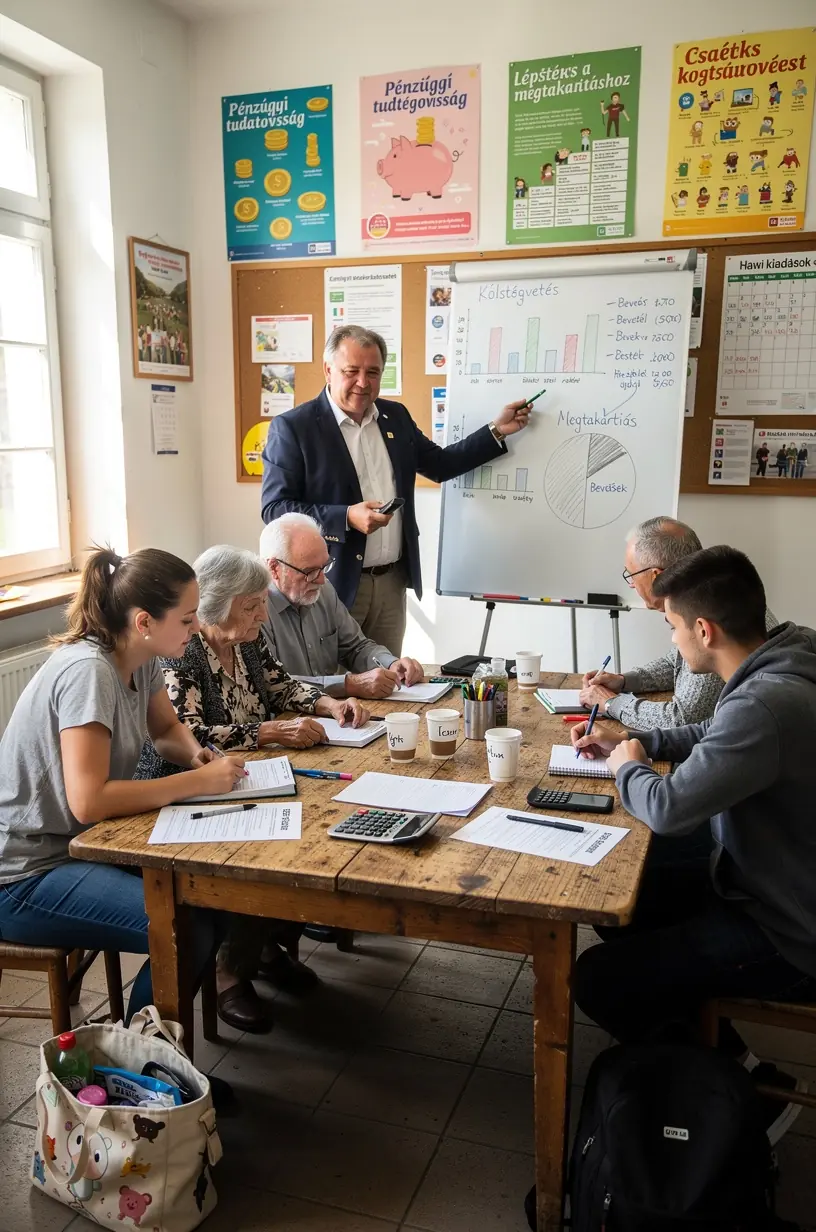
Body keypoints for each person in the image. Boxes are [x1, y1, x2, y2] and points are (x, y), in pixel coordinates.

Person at [571, 547, 816, 1143]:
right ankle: (719, 1048)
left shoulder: (764, 703)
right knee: (626, 898)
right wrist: (640, 736)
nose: (675, 643)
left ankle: (742, 1094)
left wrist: (630, 765)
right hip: (765, 876)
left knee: (600, 980)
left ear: (703, 629)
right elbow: (717, 731)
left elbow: (669, 808)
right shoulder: (788, 655)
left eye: (673, 628)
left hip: (787, 928)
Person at [0, 546, 245, 1022]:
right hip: (24, 874)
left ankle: (157, 1061)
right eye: (188, 618)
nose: (196, 628)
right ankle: (136, 1074)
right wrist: (195, 782)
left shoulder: (142, 656)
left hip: (77, 846)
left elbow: (166, 730)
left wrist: (195, 754)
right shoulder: (87, 672)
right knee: (182, 927)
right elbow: (89, 801)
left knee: (210, 899)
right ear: (144, 621)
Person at [137, 545, 369, 1033]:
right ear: (216, 606)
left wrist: (328, 703)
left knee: (308, 833)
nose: (263, 614)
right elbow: (190, 735)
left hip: (255, 774)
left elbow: (282, 686)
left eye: (262, 603)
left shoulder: (248, 639)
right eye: (252, 605)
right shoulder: (185, 653)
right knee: (256, 852)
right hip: (189, 787)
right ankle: (230, 972)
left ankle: (265, 946)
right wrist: (268, 733)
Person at [260, 324, 531, 654]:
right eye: (352, 371)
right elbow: (275, 509)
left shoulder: (395, 416)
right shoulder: (294, 428)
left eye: (373, 372)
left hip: (392, 583)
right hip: (333, 582)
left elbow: (441, 465)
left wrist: (496, 430)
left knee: (390, 681)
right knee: (339, 688)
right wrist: (346, 517)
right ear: (328, 370)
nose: (363, 382)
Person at [579, 517, 777, 729]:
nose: (631, 585)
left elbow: (682, 719)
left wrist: (610, 703)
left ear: (656, 576)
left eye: (631, 575)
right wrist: (624, 681)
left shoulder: (709, 612)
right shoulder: (710, 591)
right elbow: (678, 662)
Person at [260, 513, 423, 699]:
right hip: (285, 721)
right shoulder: (255, 609)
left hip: (335, 714)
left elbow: (356, 647)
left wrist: (391, 664)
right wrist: (347, 685)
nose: (321, 579)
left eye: (325, 566)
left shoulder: (324, 590)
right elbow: (273, 685)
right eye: (310, 571)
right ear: (274, 568)